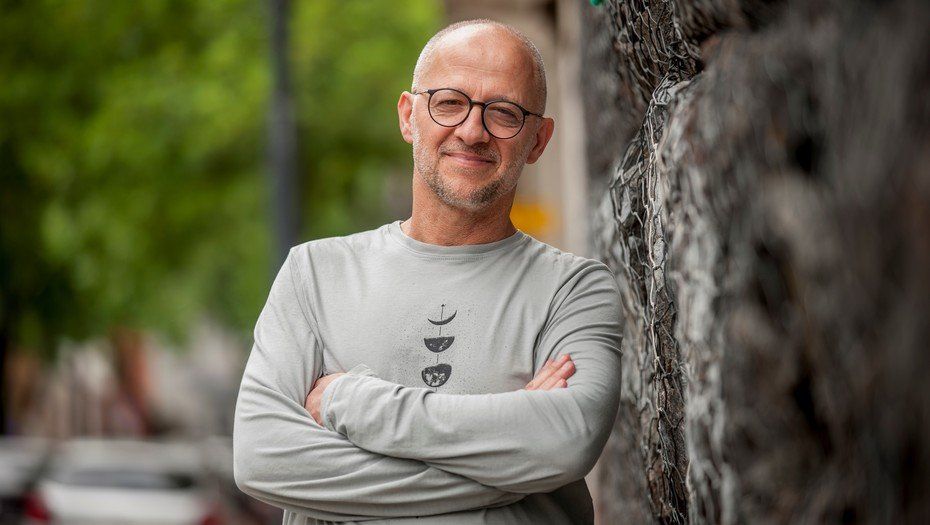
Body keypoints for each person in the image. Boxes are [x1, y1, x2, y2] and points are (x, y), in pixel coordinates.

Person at [233, 18, 623, 525]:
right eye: (449, 103)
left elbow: (565, 441)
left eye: (504, 113)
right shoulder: (314, 274)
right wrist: (509, 466)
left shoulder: (574, 291)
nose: (472, 131)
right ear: (408, 116)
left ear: (538, 140)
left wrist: (349, 402)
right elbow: (262, 458)